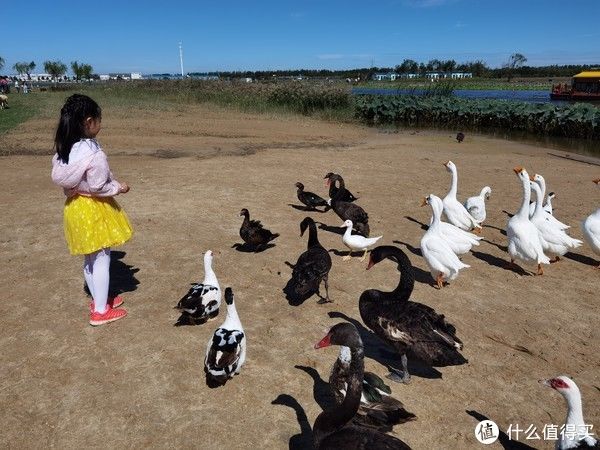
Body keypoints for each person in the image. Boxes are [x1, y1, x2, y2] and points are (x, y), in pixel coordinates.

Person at [51, 94, 133, 326]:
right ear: (88, 122)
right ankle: (99, 310)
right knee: (102, 258)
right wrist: (119, 187)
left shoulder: (65, 149)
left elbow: (69, 183)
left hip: (75, 208)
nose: (101, 124)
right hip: (94, 210)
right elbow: (98, 186)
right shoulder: (94, 153)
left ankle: (99, 299)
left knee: (89, 257)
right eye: (99, 119)